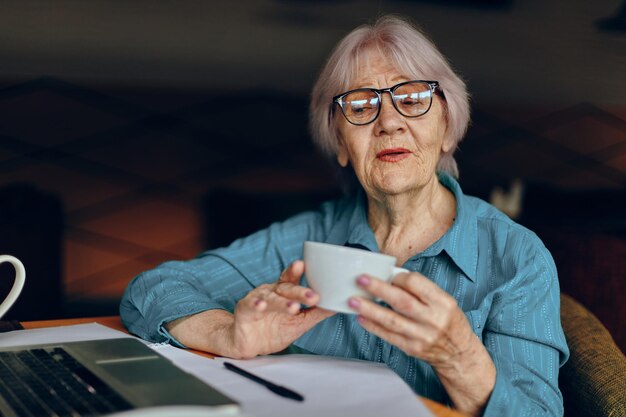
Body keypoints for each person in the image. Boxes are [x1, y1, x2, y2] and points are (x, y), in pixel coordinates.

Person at [120, 15, 569, 417]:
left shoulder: (517, 258)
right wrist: (229, 335)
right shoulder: (308, 237)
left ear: (447, 127)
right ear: (338, 142)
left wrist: (459, 357)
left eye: (412, 98)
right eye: (360, 106)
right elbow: (150, 290)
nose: (389, 122)